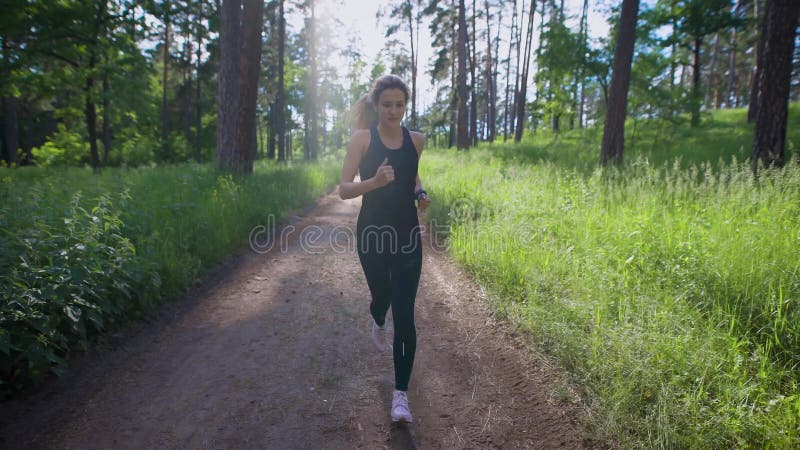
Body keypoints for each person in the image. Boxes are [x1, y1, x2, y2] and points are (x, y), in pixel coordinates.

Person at [338, 74, 430, 423]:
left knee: (405, 316)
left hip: (406, 236)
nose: (394, 111)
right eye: (387, 104)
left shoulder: (417, 140)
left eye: (400, 104)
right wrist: (374, 182)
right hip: (373, 235)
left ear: (406, 105)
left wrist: (419, 193)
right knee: (383, 296)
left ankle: (401, 396)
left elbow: (412, 176)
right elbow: (344, 189)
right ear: (376, 106)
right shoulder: (362, 139)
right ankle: (377, 316)